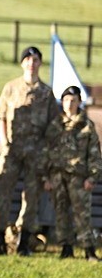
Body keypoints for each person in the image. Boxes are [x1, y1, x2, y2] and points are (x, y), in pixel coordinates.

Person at [0, 46, 59, 256]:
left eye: (36, 59)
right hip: (12, 148)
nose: (32, 63)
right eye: (28, 59)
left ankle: (24, 239)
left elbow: (52, 126)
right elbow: (1, 116)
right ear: (22, 63)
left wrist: (47, 154)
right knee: (1, 190)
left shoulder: (46, 93)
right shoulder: (11, 88)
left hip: (36, 151)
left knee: (31, 195)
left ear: (40, 63)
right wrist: (3, 142)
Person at [44, 86, 100, 261]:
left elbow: (94, 154)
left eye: (73, 100)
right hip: (57, 176)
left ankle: (88, 249)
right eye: (66, 100)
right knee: (61, 213)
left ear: (79, 102)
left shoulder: (86, 126)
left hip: (79, 177)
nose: (69, 104)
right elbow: (45, 152)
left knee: (82, 214)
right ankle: (66, 247)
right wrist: (45, 177)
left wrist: (93, 177)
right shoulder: (54, 125)